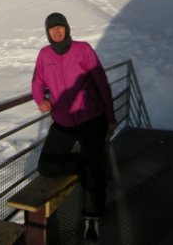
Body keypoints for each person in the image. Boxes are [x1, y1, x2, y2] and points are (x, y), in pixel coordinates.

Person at [32, 12, 116, 243]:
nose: (57, 32)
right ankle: (85, 164)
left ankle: (92, 217)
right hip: (63, 121)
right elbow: (37, 82)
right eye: (52, 29)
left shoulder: (83, 49)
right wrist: (40, 100)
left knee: (93, 174)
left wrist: (110, 118)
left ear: (67, 29)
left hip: (92, 119)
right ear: (47, 32)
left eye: (60, 27)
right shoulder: (44, 54)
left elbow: (102, 84)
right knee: (46, 166)